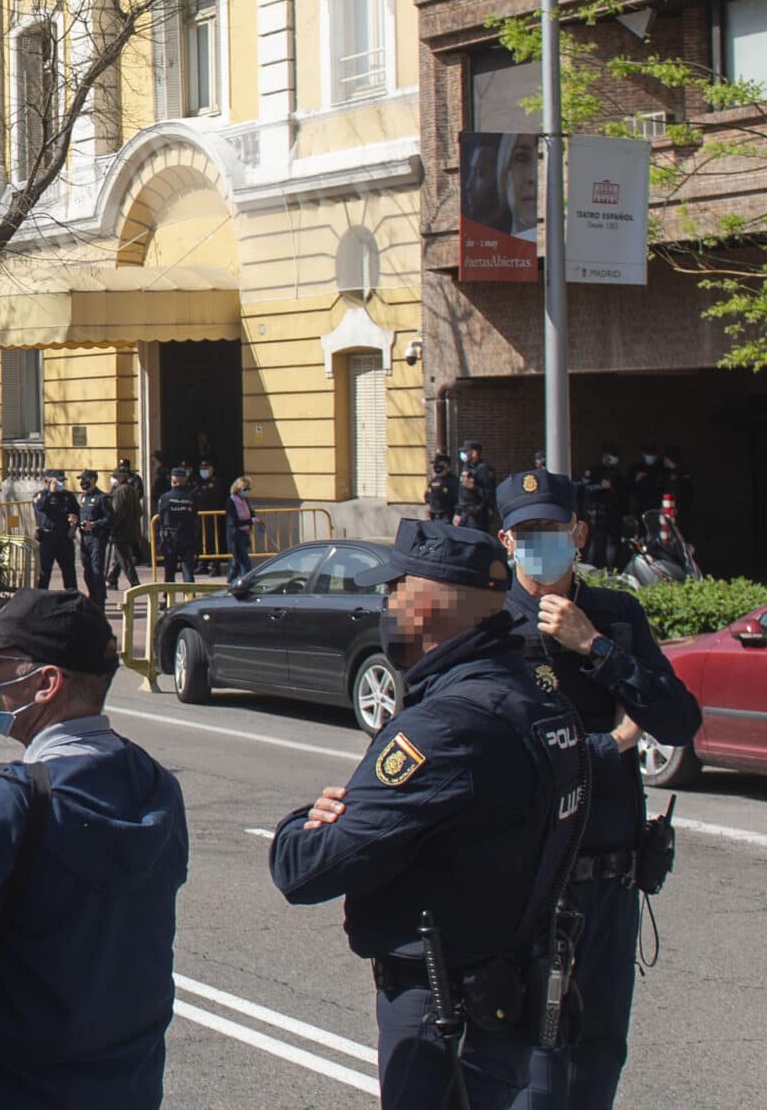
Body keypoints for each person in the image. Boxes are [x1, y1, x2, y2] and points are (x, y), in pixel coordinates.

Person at [268, 520, 590, 1109]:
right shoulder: (537, 696)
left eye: (397, 589)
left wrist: (297, 825)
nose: (386, 603)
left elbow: (306, 870)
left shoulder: (444, 726)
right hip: (514, 989)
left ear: (434, 602)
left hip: (446, 1013)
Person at [0, 591, 187, 1108]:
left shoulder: (9, 803)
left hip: (9, 1086)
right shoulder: (156, 785)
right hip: (126, 1082)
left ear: (46, 683)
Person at [495, 471, 702, 1109]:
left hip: (611, 881)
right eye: (529, 533)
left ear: (579, 533)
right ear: (506, 540)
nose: (543, 543)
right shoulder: (491, 626)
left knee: (599, 1051)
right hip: (529, 881)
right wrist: (609, 745)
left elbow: (677, 720)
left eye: (554, 530)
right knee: (536, 1059)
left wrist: (596, 646)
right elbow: (500, 758)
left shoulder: (615, 616)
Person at [31, 469, 80, 592]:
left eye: (62, 481)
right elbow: (41, 507)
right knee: (44, 572)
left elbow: (77, 513)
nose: (60, 484)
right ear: (47, 481)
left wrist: (74, 526)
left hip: (65, 538)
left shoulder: (68, 496)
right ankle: (41, 599)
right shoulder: (40, 495)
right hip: (48, 538)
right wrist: (50, 493)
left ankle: (71, 599)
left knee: (69, 571)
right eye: (57, 481)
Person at [579, 448, 626, 571]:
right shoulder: (594, 470)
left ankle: (611, 570)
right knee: (596, 543)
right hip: (597, 514)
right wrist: (601, 486)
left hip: (613, 513)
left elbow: (622, 493)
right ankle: (591, 569)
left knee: (612, 543)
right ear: (605, 456)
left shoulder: (616, 473)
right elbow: (586, 489)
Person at [152, 467, 201, 583]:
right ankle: (190, 596)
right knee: (188, 569)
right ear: (185, 480)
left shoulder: (165, 497)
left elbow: (161, 517)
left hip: (171, 537)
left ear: (173, 481)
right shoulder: (192, 496)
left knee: (169, 570)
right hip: (188, 535)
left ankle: (168, 598)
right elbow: (195, 514)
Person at [76, 471, 111, 609]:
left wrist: (95, 524)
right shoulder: (82, 498)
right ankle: (92, 596)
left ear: (93, 480)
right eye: (81, 479)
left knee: (97, 570)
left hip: (97, 538)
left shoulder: (102, 498)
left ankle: (100, 602)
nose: (83, 482)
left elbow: (110, 519)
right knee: (87, 571)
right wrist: (76, 521)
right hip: (85, 539)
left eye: (85, 479)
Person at [105, 466, 144, 590]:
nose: (113, 479)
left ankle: (134, 582)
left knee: (123, 557)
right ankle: (112, 580)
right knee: (119, 557)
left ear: (122, 477)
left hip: (122, 530)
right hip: (131, 528)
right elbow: (140, 511)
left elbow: (117, 511)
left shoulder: (121, 491)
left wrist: (112, 526)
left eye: (115, 477)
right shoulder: (131, 489)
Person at [456, 441, 497, 532]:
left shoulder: (484, 469)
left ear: (474, 453)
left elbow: (490, 495)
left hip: (477, 517)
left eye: (466, 452)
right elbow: (461, 493)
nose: (463, 455)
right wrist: (457, 513)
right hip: (464, 515)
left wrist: (474, 487)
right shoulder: (466, 467)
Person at [227, 476, 256, 577]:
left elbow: (251, 512)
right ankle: (245, 583)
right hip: (236, 535)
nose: (247, 491)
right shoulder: (231, 501)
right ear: (238, 489)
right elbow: (234, 521)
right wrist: (251, 520)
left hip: (244, 533)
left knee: (236, 564)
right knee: (245, 563)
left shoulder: (244, 500)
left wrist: (255, 519)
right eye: (245, 489)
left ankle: (230, 582)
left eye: (249, 489)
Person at [425, 454, 460, 524]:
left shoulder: (453, 481)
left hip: (448, 517)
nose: (436, 466)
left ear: (446, 465)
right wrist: (428, 512)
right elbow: (428, 498)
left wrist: (457, 515)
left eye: (438, 463)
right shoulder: (433, 481)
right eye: (435, 464)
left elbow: (458, 500)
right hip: (434, 518)